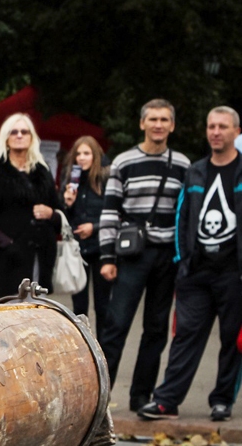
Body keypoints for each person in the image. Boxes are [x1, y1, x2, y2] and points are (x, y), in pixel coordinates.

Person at [137, 106, 242, 421]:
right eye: (211, 126)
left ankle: (222, 401)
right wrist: (182, 261)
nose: (216, 132)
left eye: (223, 126)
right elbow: (182, 218)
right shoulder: (196, 171)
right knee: (185, 337)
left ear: (237, 132)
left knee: (232, 339)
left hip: (234, 274)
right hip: (196, 273)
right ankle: (166, 401)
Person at [97, 99, 190, 412]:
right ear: (142, 123)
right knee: (116, 325)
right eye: (153, 119)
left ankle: (141, 396)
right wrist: (107, 257)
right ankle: (100, 394)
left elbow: (186, 215)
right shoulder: (124, 162)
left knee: (156, 329)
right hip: (132, 255)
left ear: (172, 125)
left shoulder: (183, 165)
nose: (158, 125)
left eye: (164, 119)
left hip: (167, 257)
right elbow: (110, 212)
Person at [0, 113, 60, 303]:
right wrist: (6, 244)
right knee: (5, 312)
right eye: (14, 132)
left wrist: (51, 214)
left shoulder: (43, 172)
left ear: (32, 137)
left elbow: (61, 216)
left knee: (37, 313)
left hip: (40, 259)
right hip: (8, 260)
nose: (19, 135)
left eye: (24, 132)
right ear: (6, 138)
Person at [61, 136, 111, 336]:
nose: (81, 158)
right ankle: (82, 345)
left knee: (103, 305)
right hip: (78, 249)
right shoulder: (71, 180)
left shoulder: (105, 179)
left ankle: (103, 348)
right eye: (78, 154)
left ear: (95, 156)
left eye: (86, 153)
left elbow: (115, 213)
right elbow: (63, 218)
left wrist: (94, 227)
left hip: (101, 247)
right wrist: (67, 204)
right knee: (79, 306)